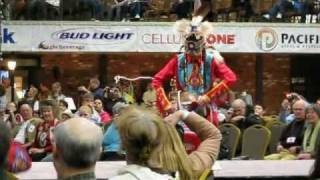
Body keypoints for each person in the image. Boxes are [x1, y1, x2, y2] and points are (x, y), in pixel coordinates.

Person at [152, 19, 237, 126]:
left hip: (206, 109)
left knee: (209, 135)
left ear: (203, 47)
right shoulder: (178, 60)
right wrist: (166, 105)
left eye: (196, 53)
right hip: (183, 108)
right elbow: (157, 80)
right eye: (189, 54)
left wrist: (209, 96)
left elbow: (231, 78)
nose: (192, 56)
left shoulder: (212, 60)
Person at [111, 106, 221, 180]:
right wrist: (182, 114)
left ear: (124, 145)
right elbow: (213, 136)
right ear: (163, 139)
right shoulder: (189, 169)